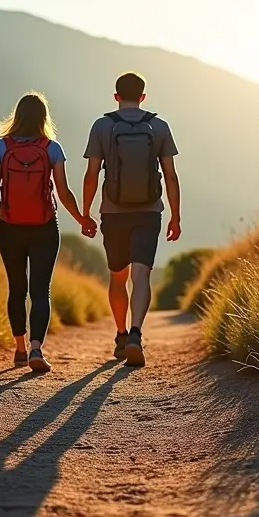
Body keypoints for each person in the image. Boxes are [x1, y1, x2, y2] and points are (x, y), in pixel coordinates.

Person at [0, 91, 96, 373]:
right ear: (44, 117)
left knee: (17, 289)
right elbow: (64, 191)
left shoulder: (1, 147)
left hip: (9, 227)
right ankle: (36, 348)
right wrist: (82, 218)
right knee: (40, 290)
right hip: (44, 227)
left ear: (17, 116)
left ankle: (19, 350)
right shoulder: (52, 148)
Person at [81, 71, 180, 367]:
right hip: (149, 211)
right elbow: (171, 176)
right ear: (143, 97)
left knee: (118, 276)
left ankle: (121, 335)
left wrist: (85, 214)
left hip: (112, 212)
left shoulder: (102, 126)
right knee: (141, 275)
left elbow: (91, 175)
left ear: (115, 97)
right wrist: (175, 216)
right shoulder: (158, 126)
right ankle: (137, 332)